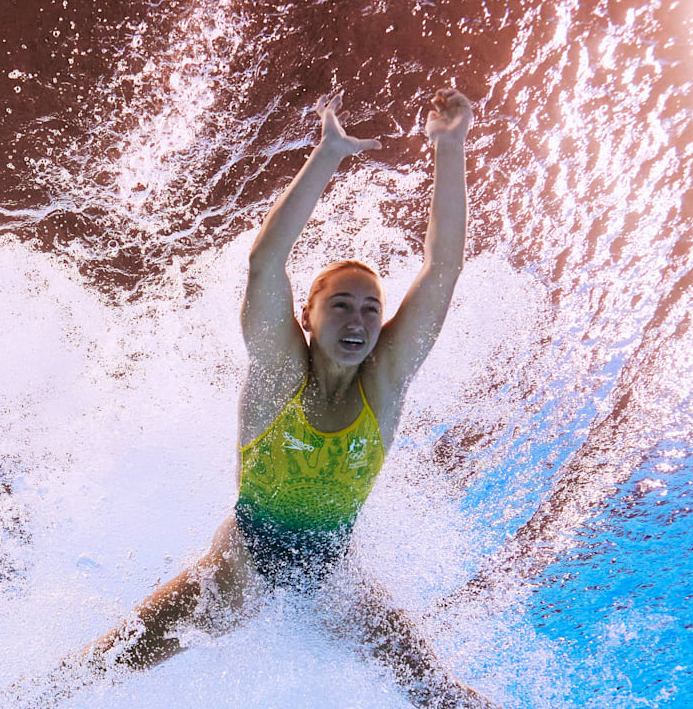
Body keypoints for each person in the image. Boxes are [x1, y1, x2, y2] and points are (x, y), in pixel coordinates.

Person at [26, 87, 498, 709]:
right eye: (340, 304)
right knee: (104, 663)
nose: (356, 319)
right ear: (308, 316)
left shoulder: (384, 384)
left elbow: (442, 269)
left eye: (370, 308)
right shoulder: (281, 375)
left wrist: (450, 146)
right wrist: (327, 155)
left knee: (439, 693)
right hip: (239, 571)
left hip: (333, 581)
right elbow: (264, 263)